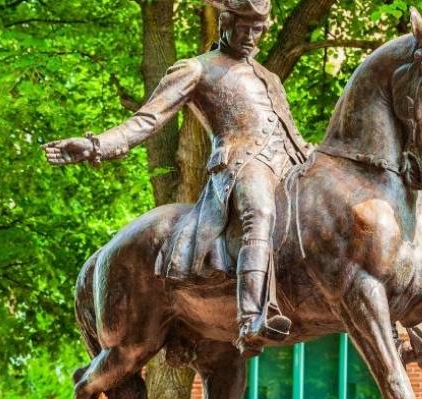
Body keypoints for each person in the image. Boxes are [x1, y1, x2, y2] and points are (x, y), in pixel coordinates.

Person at [42, 0, 311, 350]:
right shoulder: (196, 69)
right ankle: (252, 315)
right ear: (224, 23)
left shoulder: (269, 77)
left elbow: (287, 128)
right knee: (258, 212)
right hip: (244, 164)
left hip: (291, 163)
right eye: (244, 27)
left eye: (258, 30)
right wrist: (96, 146)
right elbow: (147, 120)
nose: (251, 36)